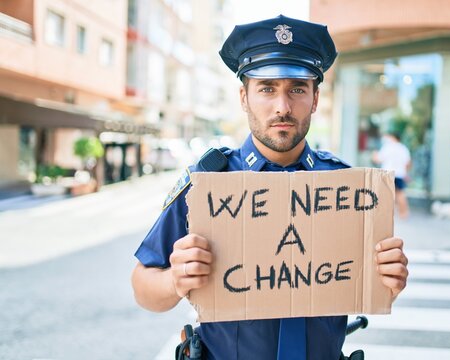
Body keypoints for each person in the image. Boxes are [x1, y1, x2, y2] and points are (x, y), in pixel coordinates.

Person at [131, 15, 408, 360]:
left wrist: (389, 279)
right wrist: (176, 279)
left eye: (297, 89)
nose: (283, 107)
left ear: (315, 98)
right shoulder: (205, 185)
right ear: (244, 97)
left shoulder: (349, 190)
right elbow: (143, 285)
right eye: (266, 89)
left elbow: (374, 282)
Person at [372, 132, 411, 219]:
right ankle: (404, 213)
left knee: (385, 194)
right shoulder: (403, 148)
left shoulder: (388, 147)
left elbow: (378, 159)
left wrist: (374, 154)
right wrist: (405, 173)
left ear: (393, 137)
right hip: (400, 174)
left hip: (388, 174)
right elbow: (408, 163)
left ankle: (385, 214)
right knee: (400, 193)